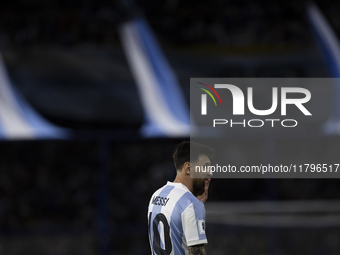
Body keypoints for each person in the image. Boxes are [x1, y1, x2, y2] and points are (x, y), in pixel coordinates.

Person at [147, 141, 214, 255]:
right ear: (188, 168)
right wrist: (197, 206)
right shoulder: (190, 204)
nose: (210, 172)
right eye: (205, 166)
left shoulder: (156, 195)